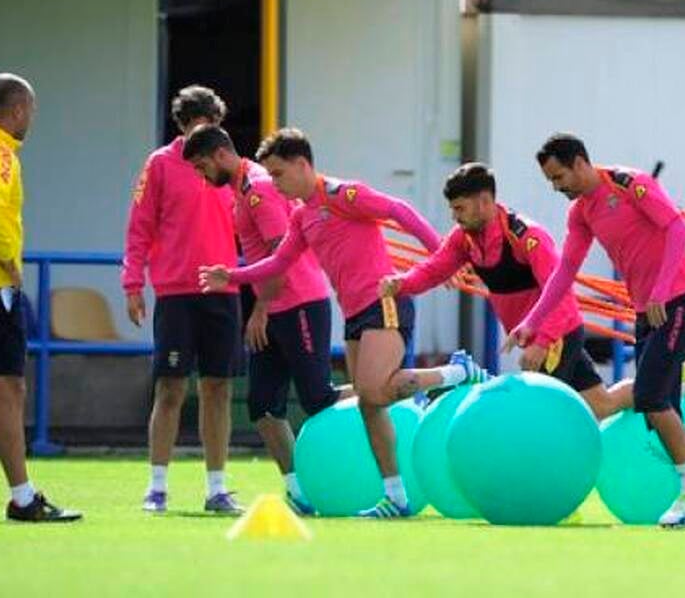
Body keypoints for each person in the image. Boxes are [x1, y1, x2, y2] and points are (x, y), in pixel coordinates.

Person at [199, 128, 486, 519]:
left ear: (303, 164)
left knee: (374, 393)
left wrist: (442, 257)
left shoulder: (342, 194)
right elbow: (279, 262)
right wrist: (230, 275)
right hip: (353, 314)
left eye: (279, 173)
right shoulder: (301, 216)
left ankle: (458, 372)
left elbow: (399, 210)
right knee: (369, 404)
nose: (274, 183)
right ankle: (396, 497)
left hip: (383, 301)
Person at [504, 133, 685, 528]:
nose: (556, 187)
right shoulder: (581, 212)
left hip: (679, 301)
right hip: (647, 312)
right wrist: (532, 321)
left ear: (579, 163)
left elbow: (678, 230)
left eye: (559, 177)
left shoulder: (629, 184)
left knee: (651, 397)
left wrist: (660, 289)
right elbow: (565, 271)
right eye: (550, 180)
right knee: (661, 408)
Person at [383, 162, 632, 419]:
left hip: (556, 336)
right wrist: (402, 283)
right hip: (534, 338)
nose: (455, 217)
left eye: (460, 208)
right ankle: (650, 391)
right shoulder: (464, 238)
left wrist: (542, 342)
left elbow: (561, 294)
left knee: (536, 413)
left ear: (483, 202)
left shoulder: (527, 237)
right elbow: (434, 270)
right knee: (601, 405)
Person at [183, 125, 345, 515]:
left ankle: (386, 394)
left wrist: (259, 311)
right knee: (262, 406)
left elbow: (280, 258)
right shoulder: (241, 190)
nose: (202, 177)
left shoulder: (259, 190)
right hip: (274, 309)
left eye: (203, 167)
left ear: (221, 155)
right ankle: (300, 491)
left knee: (317, 397)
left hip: (299, 302)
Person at [0, 73, 81, 522]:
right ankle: (24, 499)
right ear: (17, 111)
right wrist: (9, 260)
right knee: (9, 388)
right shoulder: (1, 155)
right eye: (30, 109)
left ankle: (24, 496)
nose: (31, 117)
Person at [122, 85, 243, 514]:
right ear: (183, 125)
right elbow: (139, 226)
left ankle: (217, 489)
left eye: (210, 127)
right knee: (170, 388)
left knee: (218, 388)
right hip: (175, 292)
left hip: (223, 291)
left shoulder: (231, 168)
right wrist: (132, 284)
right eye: (197, 126)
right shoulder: (159, 164)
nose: (203, 136)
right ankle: (156, 488)